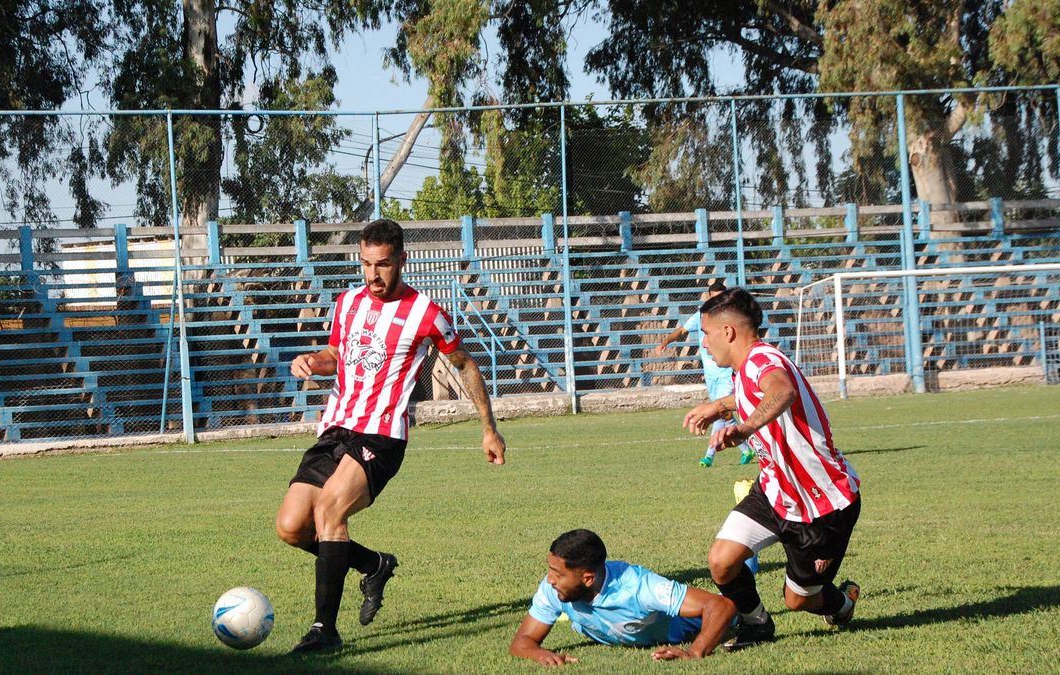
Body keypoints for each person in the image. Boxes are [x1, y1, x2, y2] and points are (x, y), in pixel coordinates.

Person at [278, 219, 507, 654]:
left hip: (382, 437)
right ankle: (373, 564)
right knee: (291, 527)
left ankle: (323, 632)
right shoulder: (347, 303)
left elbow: (465, 365)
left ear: (402, 259)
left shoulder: (426, 314)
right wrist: (311, 360)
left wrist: (489, 430)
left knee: (329, 509)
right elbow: (336, 356)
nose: (373, 275)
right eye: (366, 264)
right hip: (335, 429)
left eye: (382, 264)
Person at [682, 287, 862, 651]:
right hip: (776, 490)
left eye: (706, 333)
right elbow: (753, 393)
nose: (703, 343)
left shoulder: (764, 361)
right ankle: (757, 624)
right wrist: (720, 407)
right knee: (721, 561)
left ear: (728, 332)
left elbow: (781, 391)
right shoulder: (747, 366)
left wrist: (745, 428)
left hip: (821, 504)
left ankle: (843, 604)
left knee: (798, 600)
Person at [509, 529, 736, 665]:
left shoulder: (639, 586)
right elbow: (523, 641)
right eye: (550, 569)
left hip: (682, 627)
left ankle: (740, 548)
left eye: (557, 573)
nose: (549, 579)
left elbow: (721, 606)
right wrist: (539, 654)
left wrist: (694, 652)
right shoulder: (555, 588)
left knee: (732, 584)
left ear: (587, 578)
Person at [654, 281, 755, 468]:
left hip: (725, 372)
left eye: (720, 297)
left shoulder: (728, 318)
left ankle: (709, 456)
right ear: (708, 296)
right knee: (723, 414)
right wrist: (666, 341)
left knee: (719, 413)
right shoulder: (702, 315)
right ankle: (746, 449)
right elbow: (682, 330)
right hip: (710, 375)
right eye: (714, 297)